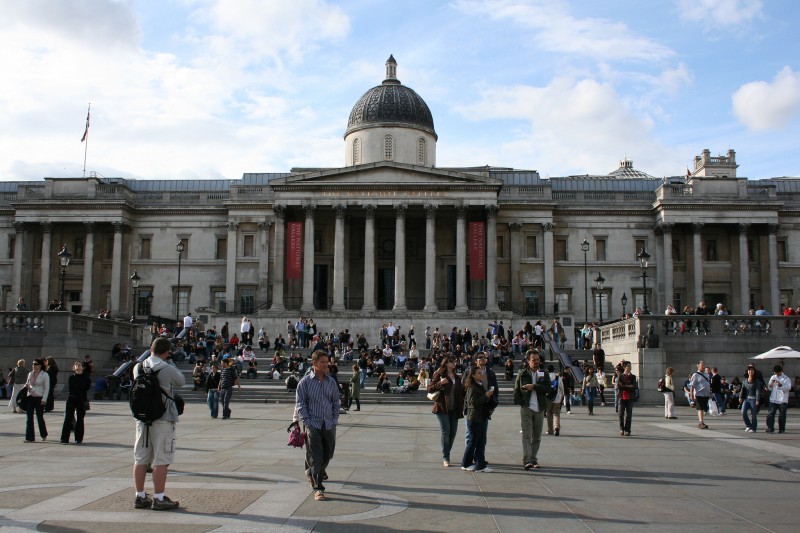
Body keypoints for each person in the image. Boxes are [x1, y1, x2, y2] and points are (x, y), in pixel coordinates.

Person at [132, 337, 185, 511]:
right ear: (166, 352)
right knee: (161, 459)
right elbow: (181, 382)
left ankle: (139, 496)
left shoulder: (137, 367)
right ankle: (159, 497)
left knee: (140, 459)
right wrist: (170, 362)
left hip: (142, 418)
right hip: (162, 418)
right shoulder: (167, 368)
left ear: (150, 348)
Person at [296, 350, 340, 501]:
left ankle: (311, 472)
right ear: (314, 364)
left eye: (327, 362)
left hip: (328, 423)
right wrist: (307, 422)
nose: (326, 364)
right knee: (316, 456)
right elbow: (300, 404)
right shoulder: (305, 383)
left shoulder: (331, 382)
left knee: (328, 455)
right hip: (313, 424)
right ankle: (318, 488)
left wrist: (334, 419)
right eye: (322, 362)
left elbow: (336, 401)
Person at [513, 350, 550, 470]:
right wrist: (521, 403)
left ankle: (534, 458)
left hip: (539, 408)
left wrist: (534, 386)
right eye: (534, 360)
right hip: (527, 407)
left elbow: (548, 388)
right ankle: (527, 460)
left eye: (538, 359)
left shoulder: (544, 374)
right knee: (527, 435)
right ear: (528, 361)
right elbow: (516, 390)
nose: (536, 362)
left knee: (537, 436)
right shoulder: (522, 373)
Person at [428, 356, 465, 468]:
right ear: (446, 363)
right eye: (451, 362)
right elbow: (430, 389)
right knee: (446, 431)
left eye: (454, 361)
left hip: (455, 408)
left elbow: (461, 392)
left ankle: (446, 452)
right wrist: (440, 383)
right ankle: (446, 457)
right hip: (442, 407)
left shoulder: (457, 378)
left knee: (453, 433)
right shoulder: (440, 375)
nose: (454, 363)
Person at [460, 365, 494, 473]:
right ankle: (465, 463)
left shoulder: (480, 385)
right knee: (473, 441)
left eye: (481, 372)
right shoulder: (472, 387)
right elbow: (472, 403)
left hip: (482, 416)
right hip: (474, 417)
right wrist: (486, 395)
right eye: (479, 373)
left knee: (481, 441)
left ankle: (480, 464)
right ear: (473, 375)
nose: (481, 374)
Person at [59, 360, 91, 444]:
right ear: (74, 368)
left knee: (80, 419)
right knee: (68, 418)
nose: (78, 366)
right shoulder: (71, 378)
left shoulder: (86, 378)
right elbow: (72, 389)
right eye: (77, 365)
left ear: (82, 367)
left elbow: (86, 388)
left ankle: (78, 438)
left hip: (82, 400)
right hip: (72, 399)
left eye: (80, 365)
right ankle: (64, 438)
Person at [24, 358, 50, 442]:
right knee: (29, 418)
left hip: (40, 397)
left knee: (39, 417)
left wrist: (44, 399)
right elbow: (29, 384)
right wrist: (27, 386)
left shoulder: (45, 375)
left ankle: (44, 434)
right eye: (33, 364)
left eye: (35, 364)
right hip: (30, 397)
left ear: (40, 365)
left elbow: (47, 388)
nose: (34, 366)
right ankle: (29, 437)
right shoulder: (30, 374)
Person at [766, 365, 791, 433]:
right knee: (770, 414)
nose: (776, 374)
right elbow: (769, 387)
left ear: (780, 371)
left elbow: (788, 388)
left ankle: (781, 429)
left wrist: (781, 385)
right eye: (775, 372)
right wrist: (770, 385)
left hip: (782, 399)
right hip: (773, 398)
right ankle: (770, 428)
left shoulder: (786, 378)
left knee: (782, 415)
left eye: (777, 372)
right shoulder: (773, 377)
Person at [616, 363, 637, 436]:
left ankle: (627, 430)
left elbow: (634, 387)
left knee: (629, 414)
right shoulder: (621, 376)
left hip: (630, 397)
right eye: (627, 367)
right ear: (624, 368)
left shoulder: (633, 377)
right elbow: (619, 386)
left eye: (630, 367)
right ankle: (622, 428)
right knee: (621, 413)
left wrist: (624, 386)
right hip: (622, 396)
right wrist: (628, 386)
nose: (629, 368)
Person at [689, 361, 711, 429]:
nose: (703, 367)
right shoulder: (695, 375)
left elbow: (708, 384)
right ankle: (700, 422)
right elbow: (692, 386)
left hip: (705, 394)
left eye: (704, 365)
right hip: (699, 394)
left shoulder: (706, 374)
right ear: (698, 366)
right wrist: (691, 396)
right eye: (702, 366)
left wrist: (710, 393)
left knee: (703, 409)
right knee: (700, 408)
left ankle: (702, 421)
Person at [740, 365, 762, 433]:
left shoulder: (756, 381)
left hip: (753, 399)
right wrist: (740, 397)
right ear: (747, 372)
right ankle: (748, 425)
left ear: (754, 372)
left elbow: (758, 390)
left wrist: (758, 400)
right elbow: (742, 389)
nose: (750, 372)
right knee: (743, 412)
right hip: (746, 399)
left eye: (752, 370)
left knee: (753, 414)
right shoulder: (745, 380)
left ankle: (754, 428)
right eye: (749, 370)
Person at [545, 364, 565, 436]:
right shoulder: (557, 377)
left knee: (549, 414)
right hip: (557, 398)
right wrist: (562, 395)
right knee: (556, 414)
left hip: (548, 398)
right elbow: (561, 386)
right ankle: (556, 427)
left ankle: (550, 430)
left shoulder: (546, 377)